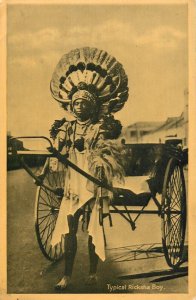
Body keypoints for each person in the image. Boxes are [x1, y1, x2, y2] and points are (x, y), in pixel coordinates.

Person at [48, 47, 129, 290]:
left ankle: (93, 272)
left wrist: (98, 157)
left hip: (93, 179)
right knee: (69, 230)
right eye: (76, 103)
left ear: (93, 106)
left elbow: (108, 152)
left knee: (94, 227)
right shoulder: (66, 127)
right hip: (73, 181)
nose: (79, 106)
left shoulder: (99, 127)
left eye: (84, 103)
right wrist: (58, 148)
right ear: (70, 106)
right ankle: (67, 276)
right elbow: (57, 150)